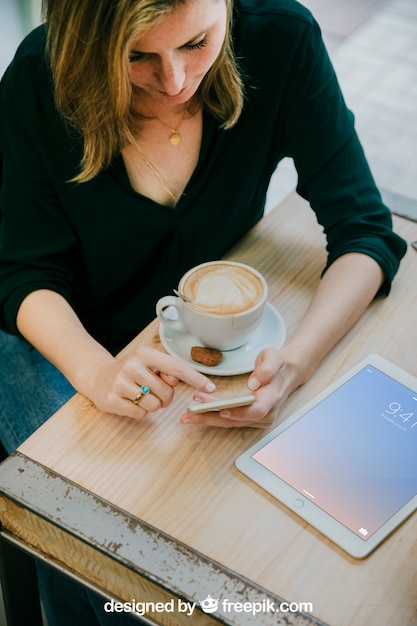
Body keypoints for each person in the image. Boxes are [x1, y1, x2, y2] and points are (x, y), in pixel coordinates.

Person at [0, 0, 407, 623]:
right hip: (61, 338)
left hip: (190, 352)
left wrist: (293, 366)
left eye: (198, 41)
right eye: (137, 56)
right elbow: (22, 272)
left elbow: (365, 233)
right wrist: (96, 370)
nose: (176, 81)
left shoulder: (281, 40)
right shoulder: (38, 76)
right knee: (99, 548)